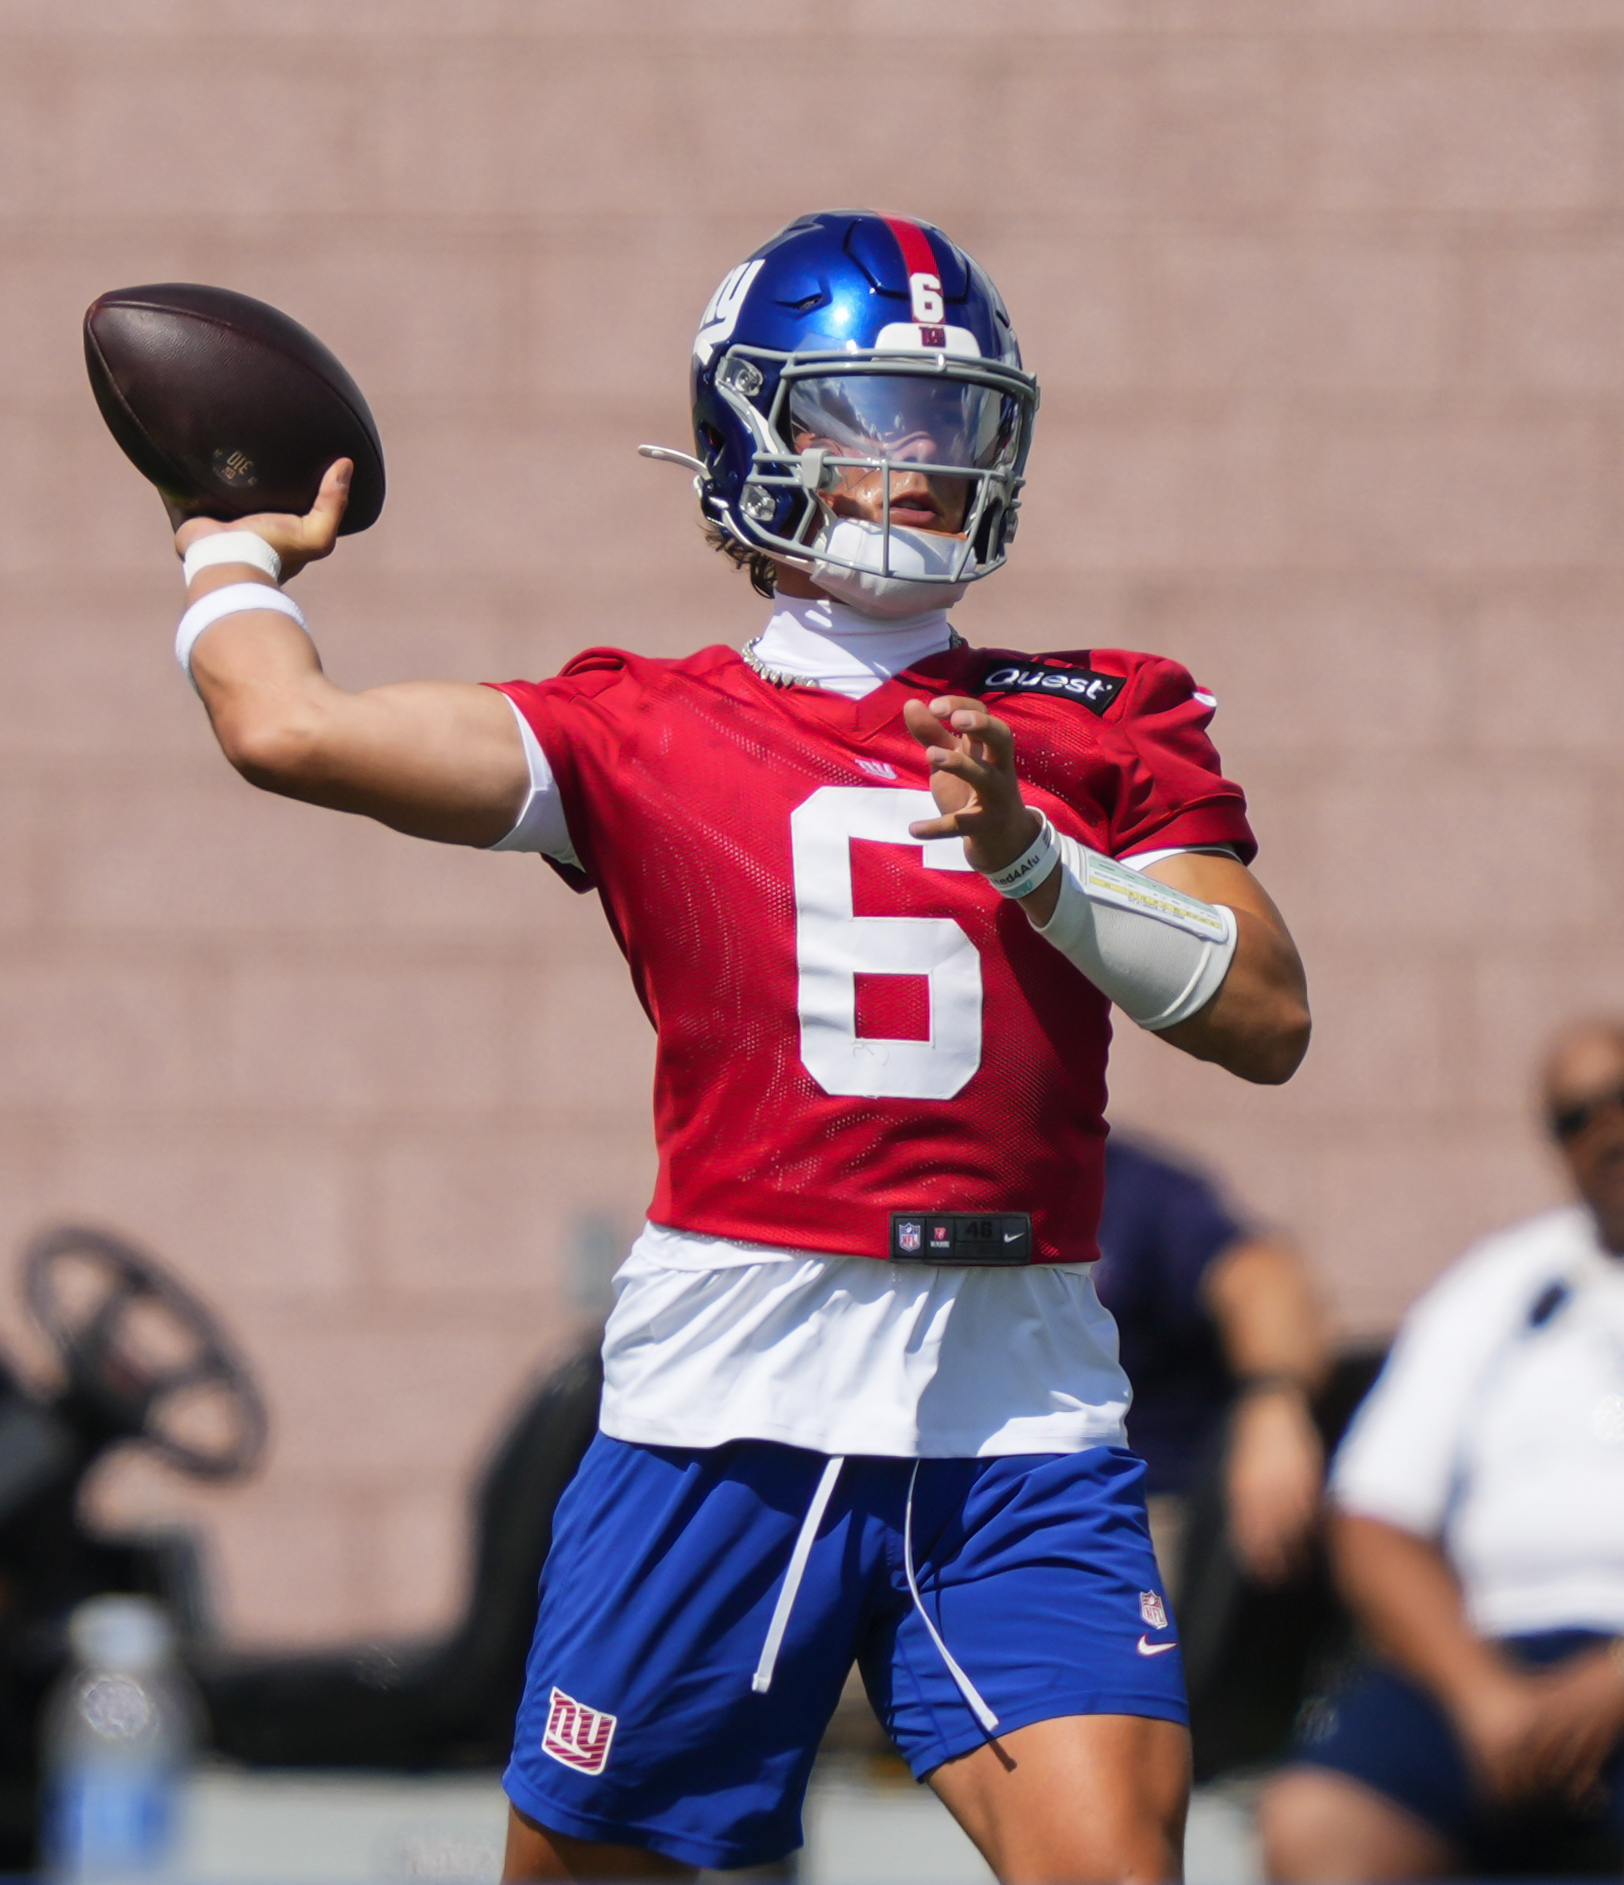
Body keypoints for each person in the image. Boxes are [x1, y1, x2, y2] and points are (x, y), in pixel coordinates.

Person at [157, 211, 1312, 1883]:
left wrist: (1037, 863)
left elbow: (1266, 1016)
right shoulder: (640, 724)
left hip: (1018, 1393)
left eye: (952, 421)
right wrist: (222, 548)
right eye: (873, 418)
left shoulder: (1103, 710)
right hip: (735, 1391)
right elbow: (289, 725)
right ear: (752, 434)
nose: (923, 464)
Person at [1259, 1022, 1624, 1884]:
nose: (1612, 1129)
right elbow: (1372, 1519)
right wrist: (1483, 1696)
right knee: (1312, 1823)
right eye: (1577, 1117)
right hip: (1489, 1662)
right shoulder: (1499, 1281)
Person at [1095, 1134, 1332, 1593]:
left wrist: (1274, 1403)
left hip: (1134, 1508)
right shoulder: (930, 1184)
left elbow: (1262, 1276)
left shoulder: (1132, 1186)